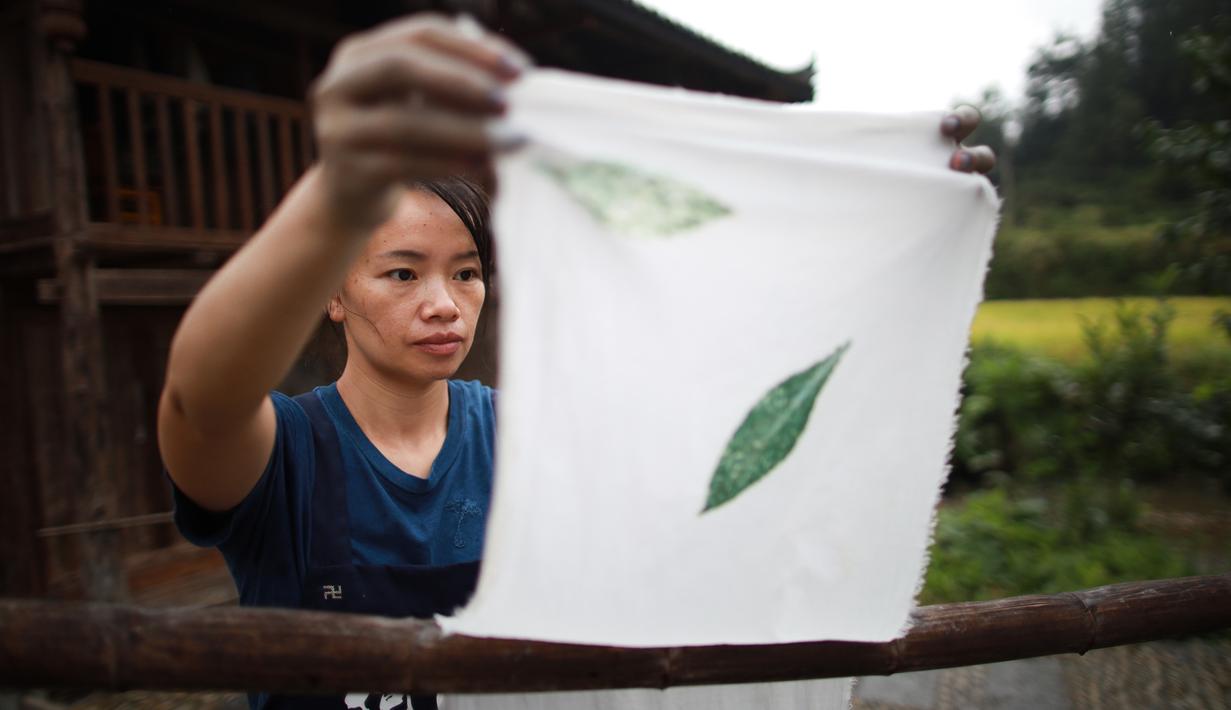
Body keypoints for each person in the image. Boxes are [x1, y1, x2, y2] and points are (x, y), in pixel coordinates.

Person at [157, 14, 995, 710]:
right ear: (332, 293)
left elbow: (702, 449)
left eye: (468, 272)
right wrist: (339, 191)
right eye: (401, 272)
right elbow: (202, 407)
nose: (444, 303)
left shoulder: (523, 434)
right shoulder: (292, 454)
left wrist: (886, 228)